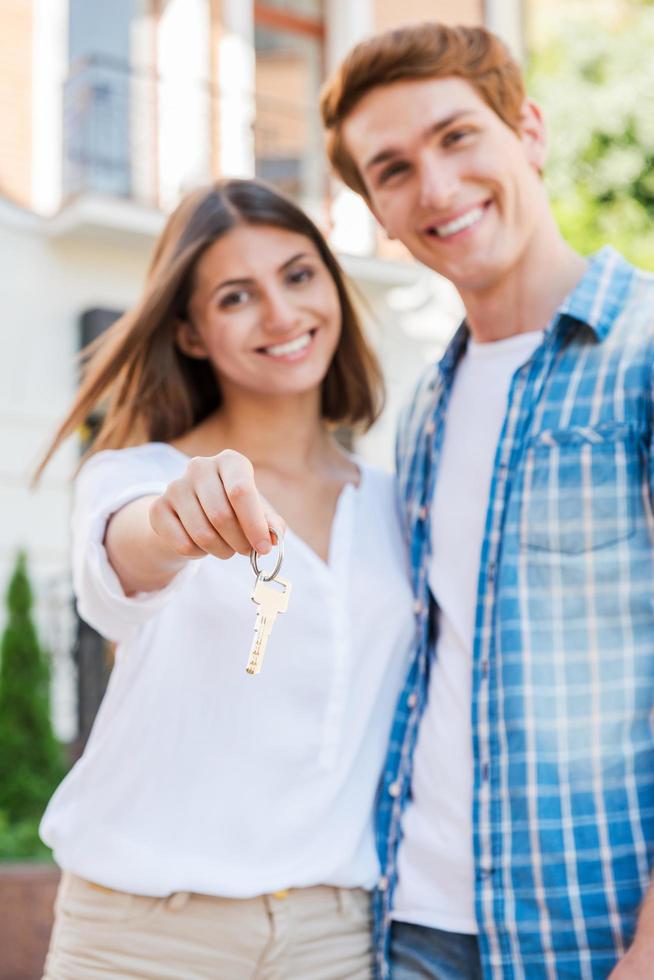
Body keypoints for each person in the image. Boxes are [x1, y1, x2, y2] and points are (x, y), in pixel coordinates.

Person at [320, 21, 654, 980]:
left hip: (592, 934)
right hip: (415, 926)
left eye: (457, 136)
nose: (435, 187)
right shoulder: (427, 405)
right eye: (393, 169)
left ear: (531, 133)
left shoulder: (639, 353)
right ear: (379, 212)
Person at [35, 178, 415, 980]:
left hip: (334, 936)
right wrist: (175, 523)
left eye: (299, 275)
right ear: (194, 333)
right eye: (238, 296)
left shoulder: (395, 504)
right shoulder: (134, 477)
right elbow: (120, 568)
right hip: (140, 938)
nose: (281, 315)